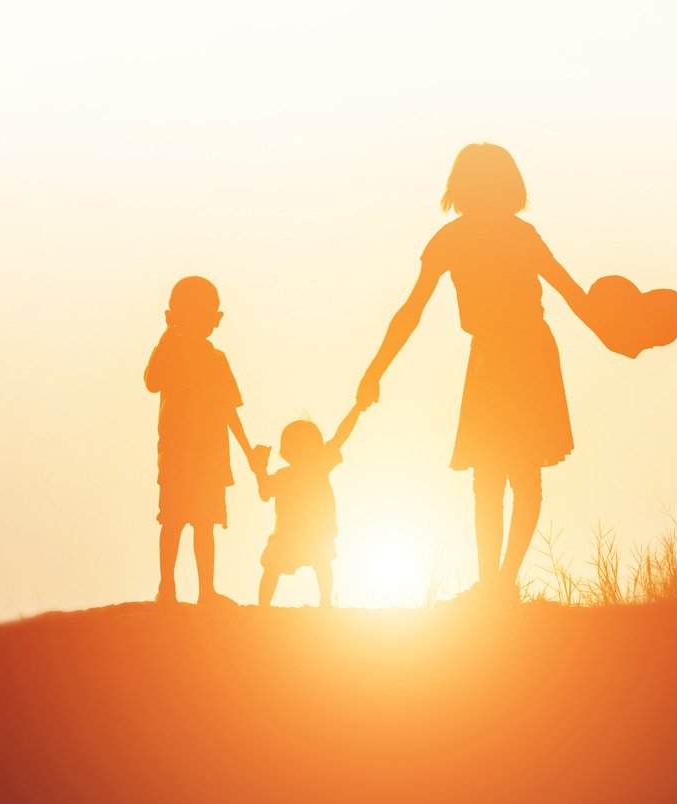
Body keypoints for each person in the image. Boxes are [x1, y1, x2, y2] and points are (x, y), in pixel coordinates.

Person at [357, 143, 588, 602]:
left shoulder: (508, 236)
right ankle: (493, 584)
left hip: (521, 357)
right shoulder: (460, 239)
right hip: (499, 357)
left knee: (516, 475)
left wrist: (622, 334)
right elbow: (411, 311)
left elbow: (574, 295)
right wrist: (374, 370)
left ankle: (499, 583)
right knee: (494, 475)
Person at [145, 275, 257, 606]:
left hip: (209, 458)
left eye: (209, 316)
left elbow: (229, 412)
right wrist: (168, 337)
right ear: (172, 318)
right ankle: (167, 587)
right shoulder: (168, 353)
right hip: (178, 455)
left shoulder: (216, 359)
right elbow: (152, 382)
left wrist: (249, 452)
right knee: (174, 521)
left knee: (204, 525)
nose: (204, 323)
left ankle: (205, 591)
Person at [251, 407, 360, 608]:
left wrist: (260, 469)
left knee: (314, 563)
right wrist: (259, 469)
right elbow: (265, 492)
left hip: (304, 533)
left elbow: (342, 434)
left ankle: (268, 606)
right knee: (315, 564)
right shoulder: (313, 467)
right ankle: (267, 606)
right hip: (298, 534)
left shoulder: (312, 467)